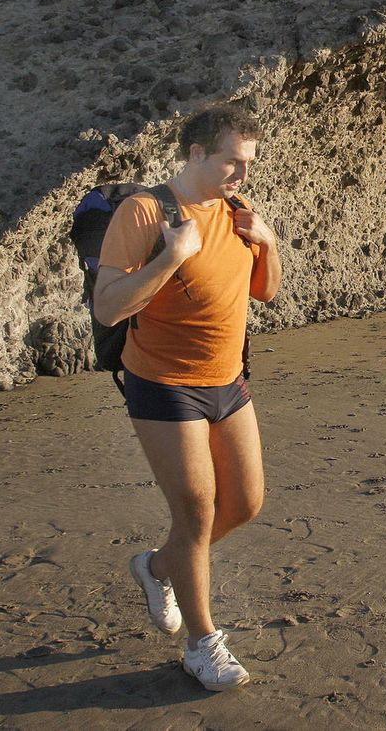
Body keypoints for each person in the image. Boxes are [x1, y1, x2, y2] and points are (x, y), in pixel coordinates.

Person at [91, 104, 282, 691]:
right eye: (232, 162)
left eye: (248, 164)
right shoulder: (145, 212)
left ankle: (157, 567)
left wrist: (269, 241)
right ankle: (202, 645)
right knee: (196, 513)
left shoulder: (238, 212)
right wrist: (172, 255)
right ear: (197, 153)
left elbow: (266, 293)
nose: (242, 174)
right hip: (163, 383)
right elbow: (108, 306)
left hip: (228, 380)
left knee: (244, 504)